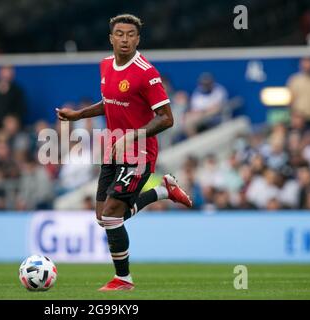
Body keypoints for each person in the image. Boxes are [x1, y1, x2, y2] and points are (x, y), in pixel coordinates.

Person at [55, 14, 192, 291]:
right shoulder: (105, 65)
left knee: (112, 214)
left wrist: (133, 135)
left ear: (138, 39)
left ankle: (123, 279)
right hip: (112, 148)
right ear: (111, 38)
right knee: (103, 217)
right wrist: (78, 115)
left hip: (139, 153)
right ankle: (163, 191)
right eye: (120, 34)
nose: (125, 39)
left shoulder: (146, 72)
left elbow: (167, 118)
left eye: (131, 34)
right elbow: (110, 102)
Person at [287, 57, 310, 130]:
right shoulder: (295, 80)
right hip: (299, 119)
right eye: (305, 62)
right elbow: (290, 100)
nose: (308, 65)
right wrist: (293, 116)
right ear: (301, 64)